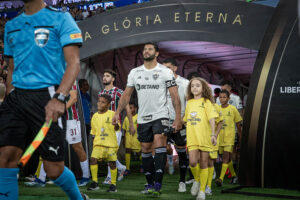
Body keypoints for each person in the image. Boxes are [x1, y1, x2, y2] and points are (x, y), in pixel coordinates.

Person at [0, 0, 88, 199]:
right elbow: (12, 69)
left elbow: (73, 63)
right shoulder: (12, 26)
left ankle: (78, 198)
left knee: (53, 170)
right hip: (16, 99)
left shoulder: (61, 18)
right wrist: (9, 98)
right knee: (5, 160)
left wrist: (60, 97)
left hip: (47, 96)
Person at [112, 42, 182, 196]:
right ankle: (149, 183)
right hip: (143, 117)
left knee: (159, 143)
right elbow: (126, 95)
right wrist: (117, 112)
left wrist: (177, 117)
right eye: (144, 49)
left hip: (161, 115)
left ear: (157, 53)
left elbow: (175, 96)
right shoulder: (134, 72)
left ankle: (158, 184)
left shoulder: (165, 72)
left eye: (150, 49)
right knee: (145, 148)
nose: (146, 51)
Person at [24, 82, 90, 187]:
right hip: (55, 120)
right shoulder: (52, 79)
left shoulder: (71, 79)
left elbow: (74, 98)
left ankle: (86, 176)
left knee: (78, 148)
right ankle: (41, 179)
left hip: (70, 120)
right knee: (50, 146)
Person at [183, 77, 218, 200]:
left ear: (203, 88)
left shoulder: (207, 102)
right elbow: (186, 120)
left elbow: (212, 118)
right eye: (192, 86)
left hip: (205, 137)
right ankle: (197, 180)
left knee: (204, 163)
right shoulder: (189, 102)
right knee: (192, 162)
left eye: (198, 85)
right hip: (192, 137)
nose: (195, 88)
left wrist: (213, 134)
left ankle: (202, 191)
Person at [98, 69, 134, 183]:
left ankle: (109, 177)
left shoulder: (118, 92)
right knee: (105, 153)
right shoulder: (100, 93)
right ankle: (121, 168)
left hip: (115, 127)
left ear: (113, 79)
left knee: (111, 152)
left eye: (107, 76)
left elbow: (127, 108)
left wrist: (131, 124)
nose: (104, 77)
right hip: (103, 127)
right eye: (104, 75)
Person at [162, 58, 189, 192]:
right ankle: (156, 182)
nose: (165, 70)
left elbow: (190, 104)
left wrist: (182, 120)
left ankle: (182, 181)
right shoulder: (160, 83)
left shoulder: (184, 83)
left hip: (180, 122)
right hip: (163, 122)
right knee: (161, 149)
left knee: (182, 152)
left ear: (175, 68)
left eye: (168, 67)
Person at [88, 94, 120, 192]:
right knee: (93, 159)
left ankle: (113, 184)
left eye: (103, 102)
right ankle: (95, 182)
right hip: (98, 144)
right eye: (99, 101)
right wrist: (94, 144)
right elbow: (93, 133)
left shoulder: (112, 114)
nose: (99, 104)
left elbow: (117, 128)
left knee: (112, 163)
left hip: (110, 144)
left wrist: (115, 125)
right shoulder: (94, 116)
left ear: (108, 105)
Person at [215, 90, 242, 187]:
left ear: (228, 98)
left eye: (224, 97)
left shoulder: (233, 109)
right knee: (226, 159)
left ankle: (220, 178)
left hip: (230, 137)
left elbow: (238, 124)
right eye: (220, 97)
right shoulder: (216, 109)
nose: (222, 99)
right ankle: (234, 176)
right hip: (219, 138)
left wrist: (240, 136)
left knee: (225, 158)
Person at [206, 103, 223, 195]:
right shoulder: (197, 104)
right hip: (201, 138)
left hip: (213, 139)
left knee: (210, 162)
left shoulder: (216, 106)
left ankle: (208, 186)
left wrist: (215, 135)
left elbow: (220, 121)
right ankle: (199, 182)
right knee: (198, 161)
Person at [123, 101, 140, 174]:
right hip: (128, 139)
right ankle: (127, 168)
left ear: (135, 109)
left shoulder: (138, 117)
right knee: (128, 151)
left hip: (136, 139)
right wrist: (124, 139)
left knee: (139, 153)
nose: (129, 110)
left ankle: (143, 165)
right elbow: (124, 130)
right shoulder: (126, 118)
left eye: (131, 108)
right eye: (128, 108)